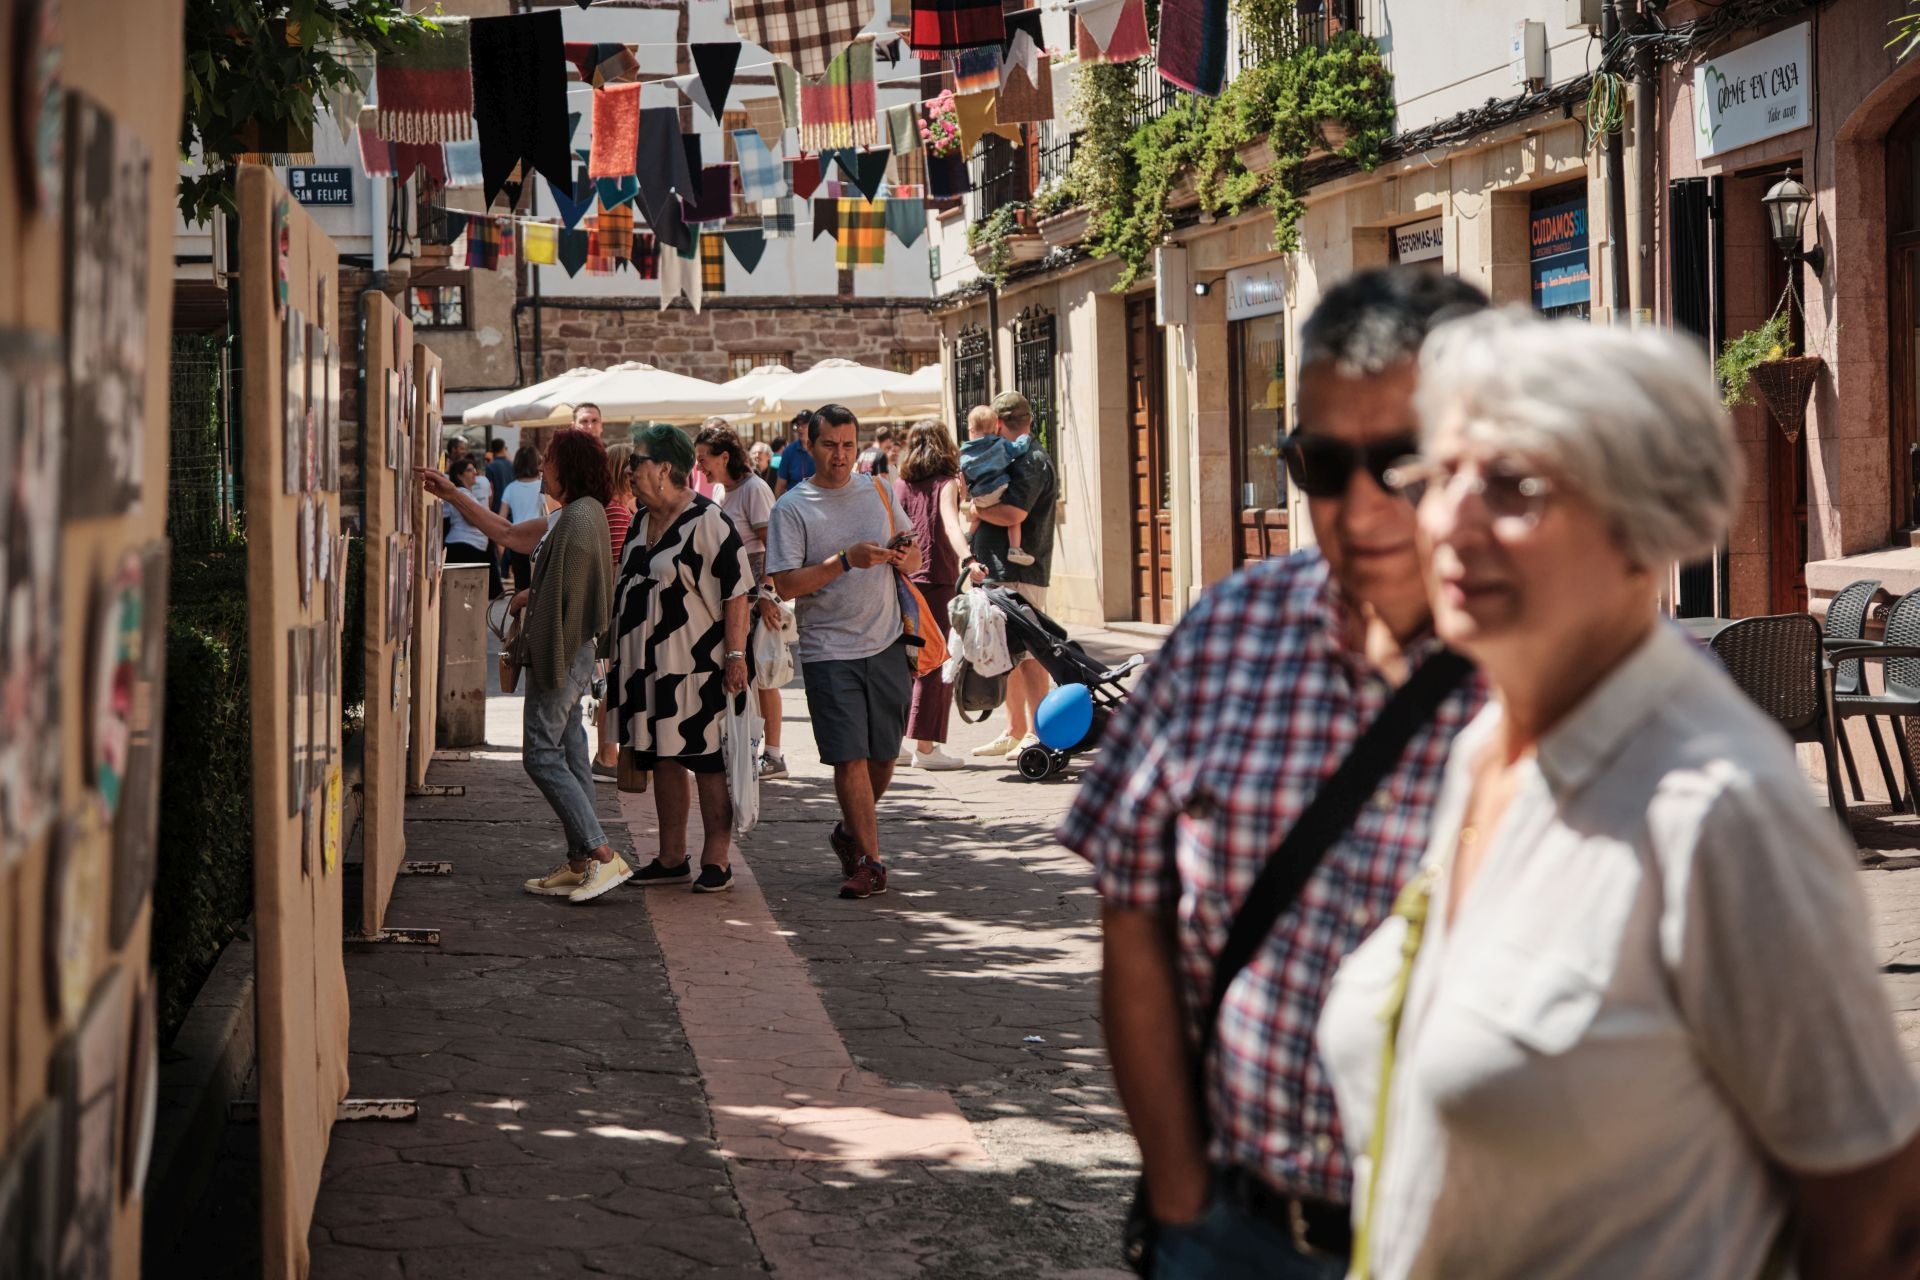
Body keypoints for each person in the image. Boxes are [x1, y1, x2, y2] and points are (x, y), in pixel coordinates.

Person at [1315, 311, 1920, 1280]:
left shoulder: (1718, 809)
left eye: (1514, 484)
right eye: (1439, 475)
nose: (1451, 521)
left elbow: (1877, 1223)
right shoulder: (1486, 750)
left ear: (1644, 527)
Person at [1057, 268, 1490, 1280]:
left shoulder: (1583, 673)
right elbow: (1132, 909)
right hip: (1240, 1233)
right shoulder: (1226, 634)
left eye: (1402, 463)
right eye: (1322, 465)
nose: (1360, 507)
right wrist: (1180, 1196)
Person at [423, 430, 626, 903]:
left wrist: (533, 606)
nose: (541, 469)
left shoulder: (579, 516)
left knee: (539, 754)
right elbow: (510, 535)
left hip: (562, 650)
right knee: (570, 751)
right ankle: (580, 862)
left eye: (549, 459)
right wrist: (453, 494)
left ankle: (602, 855)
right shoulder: (573, 514)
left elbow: (572, 593)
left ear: (568, 467)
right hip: (568, 648)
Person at [767, 404, 922, 900]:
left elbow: (914, 555)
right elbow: (785, 584)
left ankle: (849, 831)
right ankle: (871, 863)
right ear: (809, 445)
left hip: (887, 640)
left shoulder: (878, 490)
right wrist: (843, 562)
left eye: (848, 445)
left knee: (884, 757)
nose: (840, 455)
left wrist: (904, 556)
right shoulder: (792, 507)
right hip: (828, 649)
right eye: (830, 445)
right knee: (849, 756)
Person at [611, 425, 754, 894]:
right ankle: (671, 858)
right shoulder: (640, 521)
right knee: (663, 758)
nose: (630, 470)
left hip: (696, 667)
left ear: (664, 468)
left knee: (706, 761)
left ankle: (718, 858)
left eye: (638, 461)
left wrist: (736, 656)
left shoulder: (707, 521)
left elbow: (737, 591)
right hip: (648, 670)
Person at [965, 392, 1057, 760]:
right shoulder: (1015, 456)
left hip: (1021, 572)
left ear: (1000, 424)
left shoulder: (1031, 459)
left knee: (1031, 654)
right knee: (1010, 655)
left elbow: (1013, 514)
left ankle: (1038, 731)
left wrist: (975, 509)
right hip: (1004, 570)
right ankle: (1015, 729)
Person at [694, 423, 788, 780]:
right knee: (741, 674)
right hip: (732, 595)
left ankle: (773, 755)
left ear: (724, 457)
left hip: (752, 596)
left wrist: (765, 593)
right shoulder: (721, 489)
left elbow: (773, 544)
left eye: (703, 458)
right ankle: (741, 747)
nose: (699, 466)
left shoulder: (754, 489)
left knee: (762, 674)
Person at [894, 420, 968, 770]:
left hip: (903, 579)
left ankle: (894, 743)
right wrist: (968, 557)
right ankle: (926, 748)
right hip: (938, 578)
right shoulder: (946, 483)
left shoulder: (900, 484)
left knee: (902, 662)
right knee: (935, 662)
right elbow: (951, 523)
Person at [593, 441, 639, 779]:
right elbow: (616, 566)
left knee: (613, 683)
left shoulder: (612, 508)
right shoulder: (618, 512)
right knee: (614, 683)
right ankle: (607, 757)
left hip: (610, 607)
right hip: (616, 608)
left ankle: (608, 755)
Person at [958, 409, 1033, 568]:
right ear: (996, 428)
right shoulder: (1001, 445)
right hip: (999, 489)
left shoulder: (964, 454)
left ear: (971, 430)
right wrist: (1025, 437)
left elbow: (963, 476)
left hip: (979, 495)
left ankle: (969, 534)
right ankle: (1015, 549)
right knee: (1014, 520)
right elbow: (1018, 448)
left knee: (977, 509)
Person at [442, 455, 502, 598]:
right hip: (465, 545)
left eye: (474, 469)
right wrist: (486, 522)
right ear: (459, 475)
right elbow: (470, 519)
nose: (474, 472)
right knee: (465, 594)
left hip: (469, 545)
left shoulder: (466, 493)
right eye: (469, 470)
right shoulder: (462, 493)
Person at [499, 446, 547, 593]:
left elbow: (501, 517)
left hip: (517, 541)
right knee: (539, 587)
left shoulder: (510, 488)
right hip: (539, 541)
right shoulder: (542, 487)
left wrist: (501, 548)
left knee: (520, 586)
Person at [773, 413, 815, 497]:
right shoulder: (789, 451)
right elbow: (780, 486)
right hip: (794, 501)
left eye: (804, 425)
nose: (800, 428)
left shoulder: (821, 448)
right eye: (798, 425)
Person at [485, 438, 514, 513]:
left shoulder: (490, 466)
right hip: (511, 506)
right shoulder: (511, 465)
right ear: (503, 448)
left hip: (497, 507)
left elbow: (490, 490)